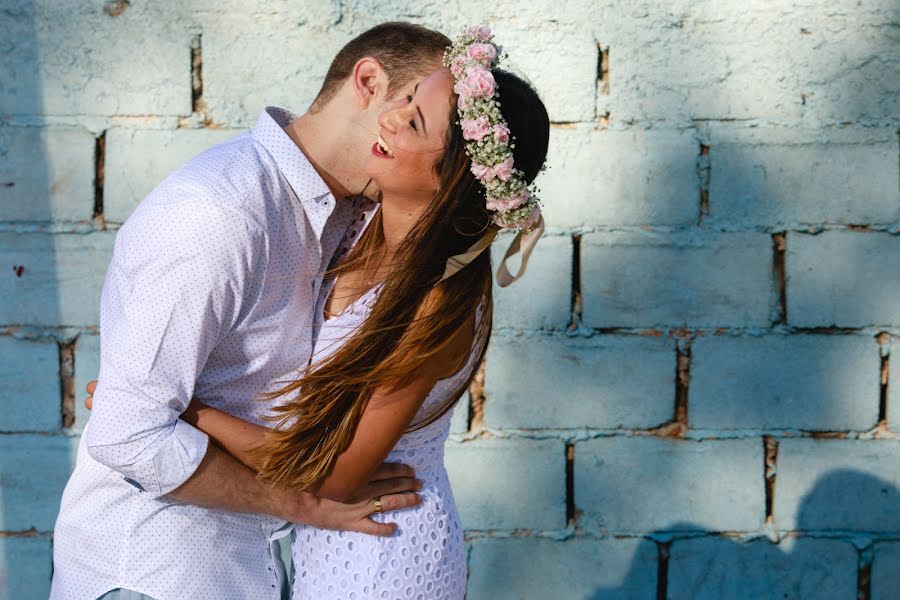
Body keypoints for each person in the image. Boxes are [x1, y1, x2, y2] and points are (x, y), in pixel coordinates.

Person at [84, 26, 550, 599]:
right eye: (404, 101)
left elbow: (341, 475)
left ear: (453, 176)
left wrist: (194, 413)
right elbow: (130, 431)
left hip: (380, 546)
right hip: (196, 564)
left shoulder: (433, 294)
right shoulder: (312, 219)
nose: (391, 119)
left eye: (415, 120)